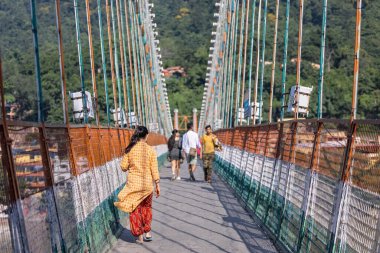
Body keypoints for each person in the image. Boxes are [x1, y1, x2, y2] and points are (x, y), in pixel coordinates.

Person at [114, 126, 160, 244]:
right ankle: (148, 232)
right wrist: (157, 184)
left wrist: (131, 164)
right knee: (147, 208)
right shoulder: (151, 150)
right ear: (146, 135)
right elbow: (154, 168)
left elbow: (123, 167)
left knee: (135, 210)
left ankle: (139, 237)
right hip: (147, 187)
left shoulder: (130, 150)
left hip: (134, 186)